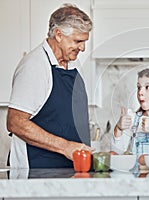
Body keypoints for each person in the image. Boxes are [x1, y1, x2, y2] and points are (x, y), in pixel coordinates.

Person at [6, 4, 93, 168]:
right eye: (78, 41)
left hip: (68, 170)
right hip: (37, 172)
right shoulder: (34, 66)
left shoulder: (71, 63)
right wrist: (65, 146)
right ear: (59, 35)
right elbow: (15, 122)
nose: (82, 48)